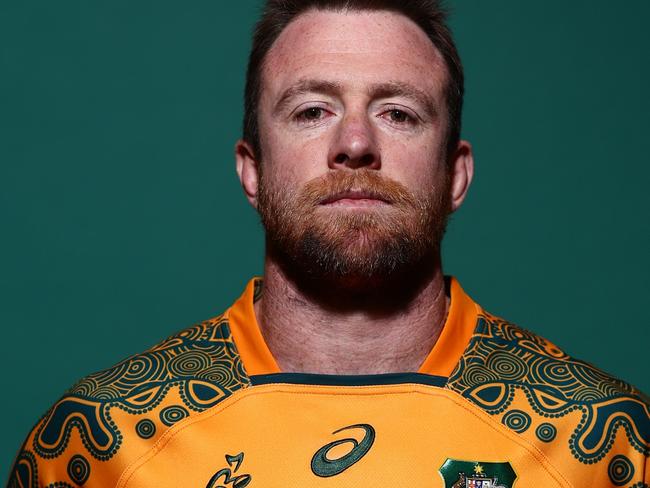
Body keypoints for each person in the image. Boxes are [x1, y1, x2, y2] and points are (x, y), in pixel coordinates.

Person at [7, 1, 648, 486]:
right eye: (312, 110)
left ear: (456, 174)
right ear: (251, 170)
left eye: (398, 112)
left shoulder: (599, 440)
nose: (357, 144)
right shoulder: (101, 441)